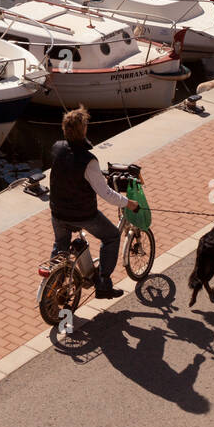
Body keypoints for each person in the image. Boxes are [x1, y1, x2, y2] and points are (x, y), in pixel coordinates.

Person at [48, 105, 139, 299]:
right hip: (83, 214)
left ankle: (54, 285)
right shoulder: (89, 161)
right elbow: (105, 193)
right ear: (84, 130)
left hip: (57, 212)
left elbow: (68, 172)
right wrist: (128, 203)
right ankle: (104, 284)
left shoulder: (56, 148)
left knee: (61, 245)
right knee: (111, 236)